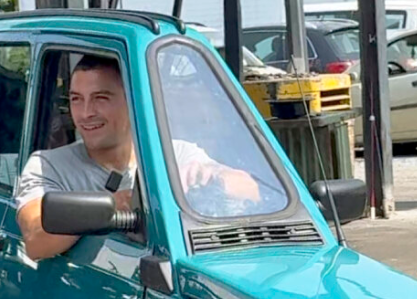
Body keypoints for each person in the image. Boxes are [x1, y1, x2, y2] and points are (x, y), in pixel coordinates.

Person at [16, 54, 260, 260]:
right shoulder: (48, 165)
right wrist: (117, 204)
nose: (86, 113)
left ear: (133, 102)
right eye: (76, 99)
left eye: (101, 98)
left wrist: (212, 177)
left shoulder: (174, 154)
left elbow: (253, 191)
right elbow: (36, 240)